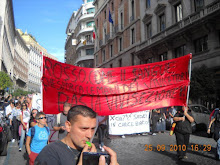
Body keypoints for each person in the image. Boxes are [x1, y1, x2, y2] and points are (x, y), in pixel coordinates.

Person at [35, 105, 119, 165]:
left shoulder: (92, 151)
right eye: (84, 129)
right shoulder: (49, 154)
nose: (90, 135)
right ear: (68, 126)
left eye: (93, 129)